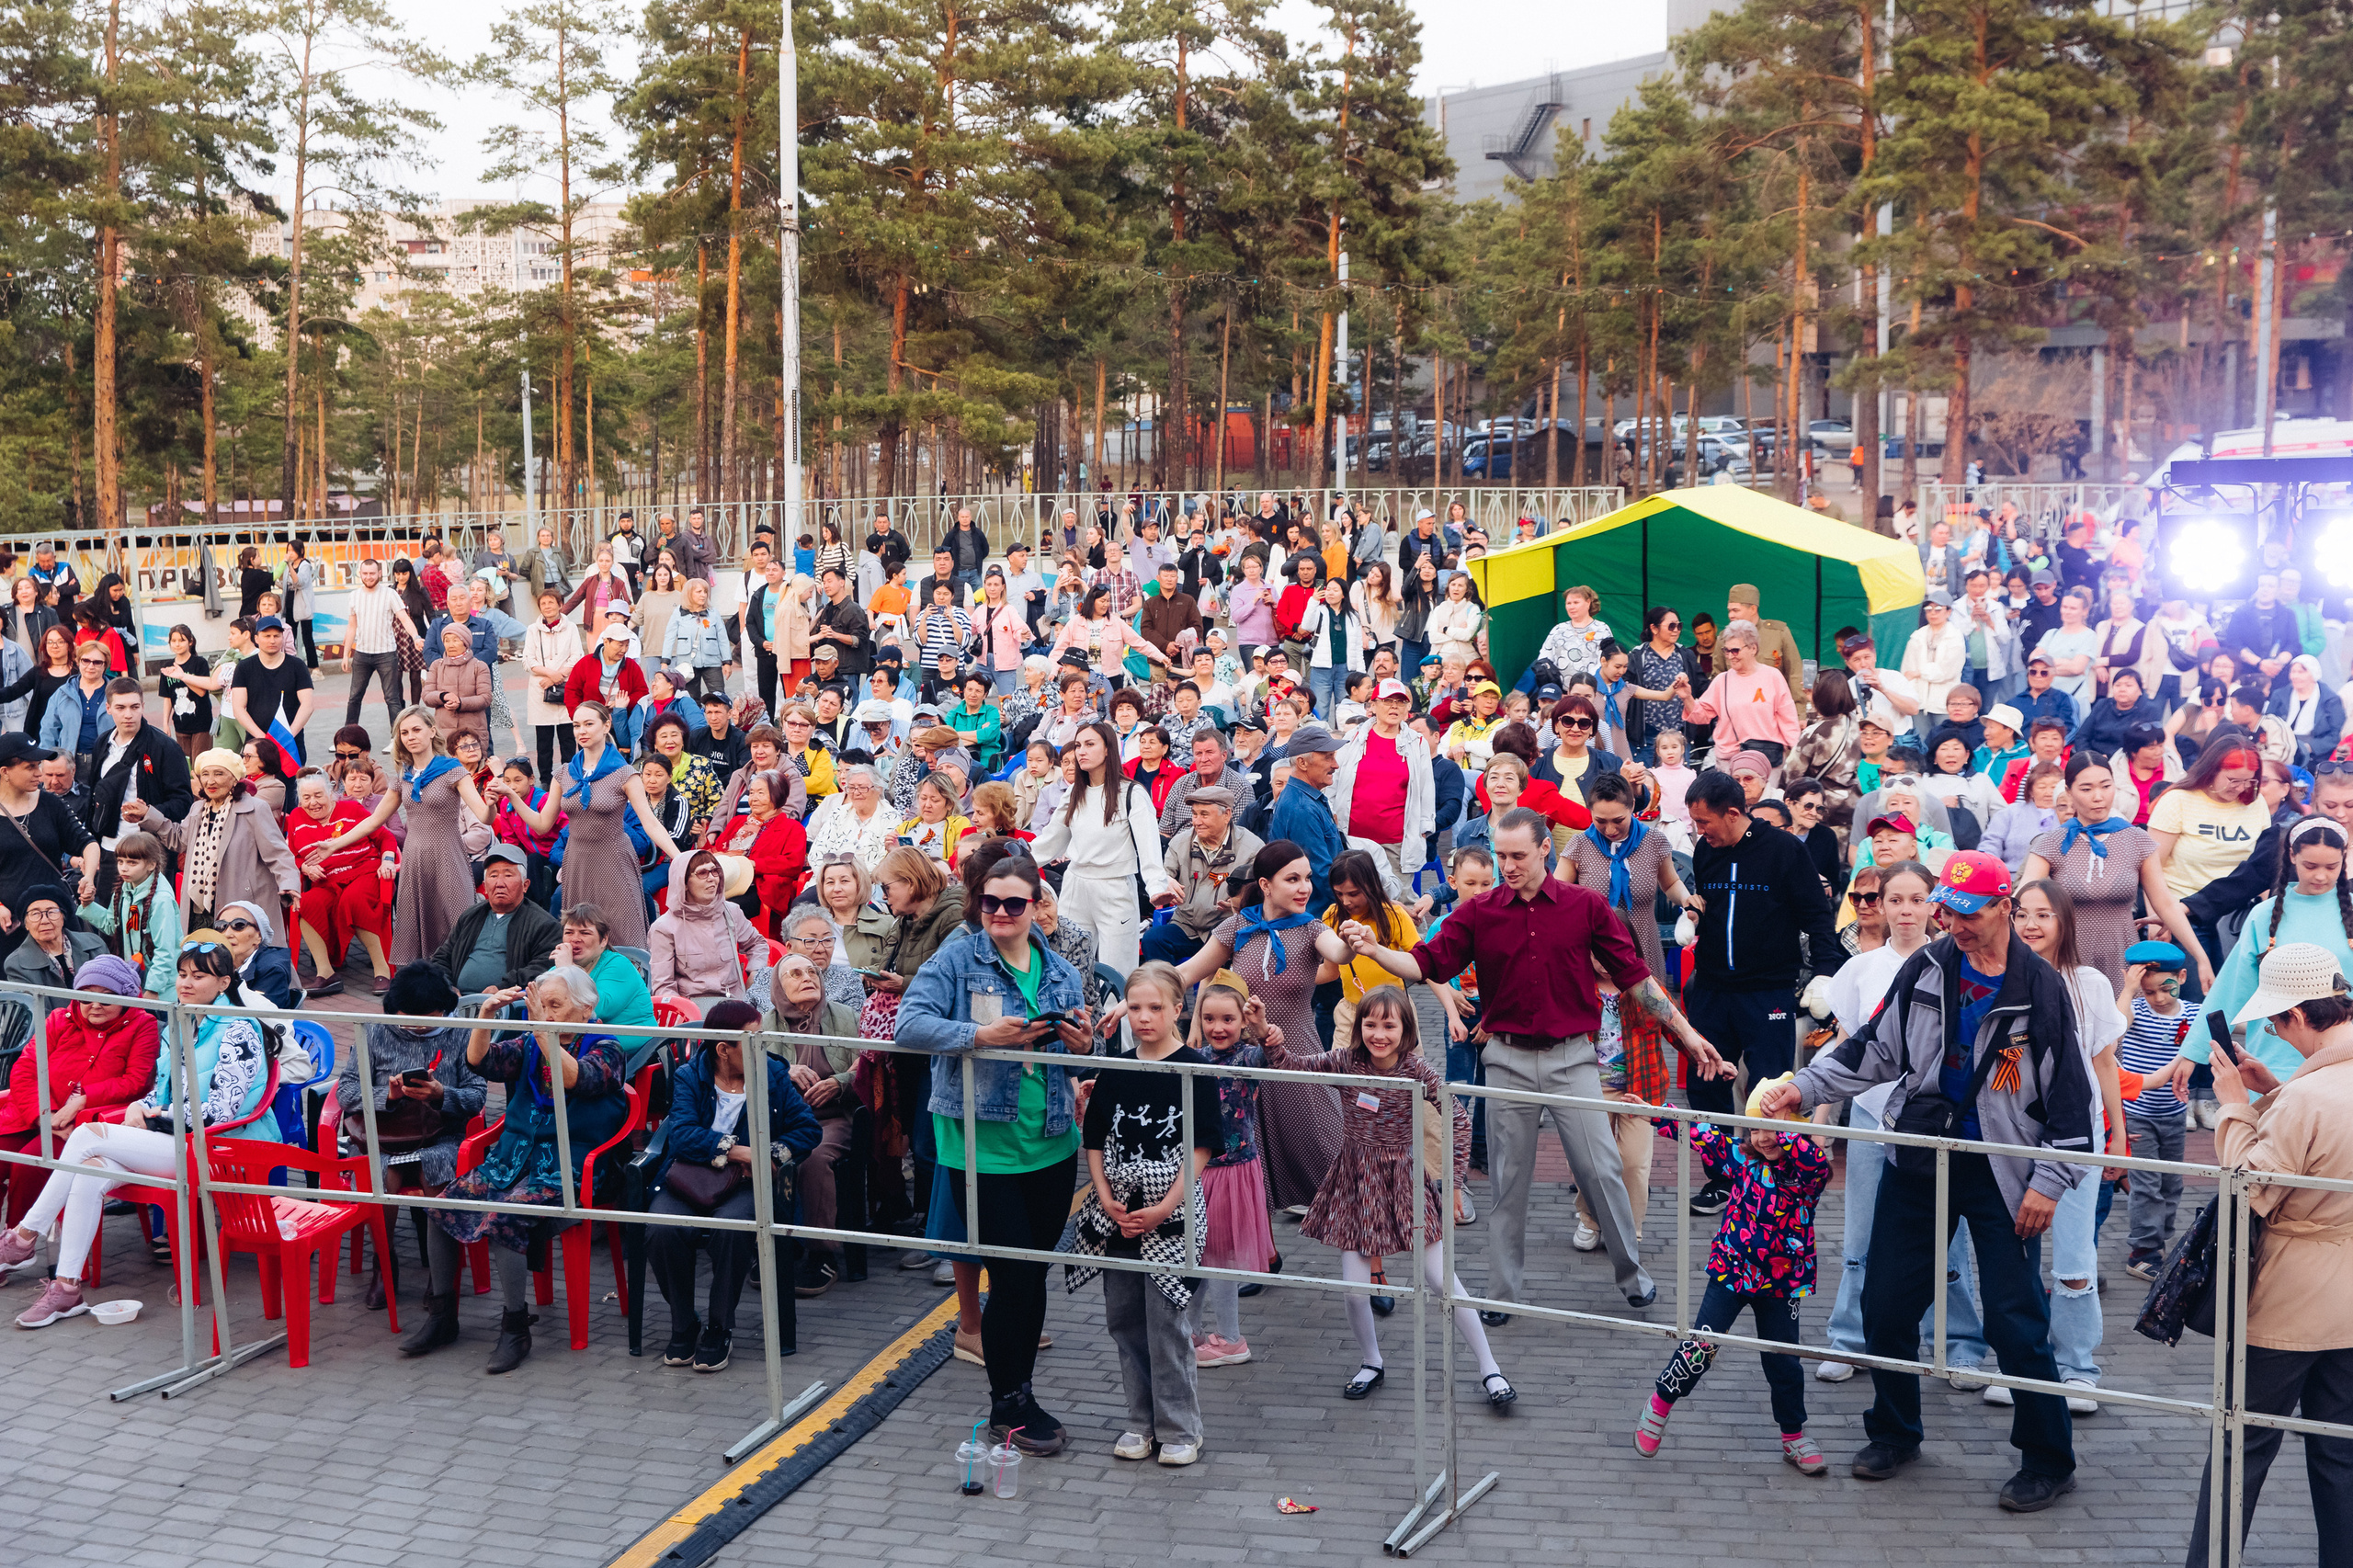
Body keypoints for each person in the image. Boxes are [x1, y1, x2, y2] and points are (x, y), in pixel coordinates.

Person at [1757, 850, 2094, 1514]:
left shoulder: (2042, 989)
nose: (1956, 924)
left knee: (2016, 1321)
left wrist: (2049, 1184)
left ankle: (2049, 1459)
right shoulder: (1929, 967)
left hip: (2003, 1172)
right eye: (1950, 911)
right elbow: (1871, 1050)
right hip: (1917, 1156)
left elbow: (2071, 1104)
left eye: (1969, 913)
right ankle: (1894, 1432)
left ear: (2005, 906)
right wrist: (1801, 1086)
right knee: (1885, 1305)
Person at [1343, 810, 1730, 1315]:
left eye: (1517, 856)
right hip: (1506, 1061)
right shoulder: (1479, 912)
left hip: (1573, 1059)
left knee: (1602, 1171)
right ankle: (1502, 1294)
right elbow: (1425, 965)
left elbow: (1636, 978)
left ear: (1546, 849)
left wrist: (1689, 1035)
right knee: (1507, 1183)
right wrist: (1376, 948)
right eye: (1501, 855)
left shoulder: (1584, 906)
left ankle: (1632, 1274)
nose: (1507, 866)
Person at [897, 852, 1097, 1455]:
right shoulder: (958, 958)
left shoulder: (1059, 968)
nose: (1002, 913)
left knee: (1029, 1276)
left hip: (1052, 1141)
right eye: (990, 902)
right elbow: (910, 1025)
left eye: (1015, 903)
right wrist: (980, 1036)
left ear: (1036, 904)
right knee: (1012, 1278)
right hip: (981, 1149)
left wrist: (1086, 1044)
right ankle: (1009, 1404)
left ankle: (1018, 1394)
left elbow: (1082, 1051)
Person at [1250, 982, 1514, 1408]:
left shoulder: (1415, 1070)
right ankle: (1371, 1361)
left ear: (1405, 1029)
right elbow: (1290, 1065)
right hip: (1354, 1181)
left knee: (1442, 1281)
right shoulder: (1346, 1061)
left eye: (1388, 1025)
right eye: (1370, 1024)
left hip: (1405, 1180)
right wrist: (1267, 1034)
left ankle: (1490, 1369)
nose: (1378, 1034)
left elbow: (1460, 1119)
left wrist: (1455, 1183)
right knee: (1354, 1290)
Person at [2, 942, 278, 1327]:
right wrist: (141, 1105)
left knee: (85, 1136)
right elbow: (161, 1088)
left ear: (223, 983)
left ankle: (23, 1236)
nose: (185, 983)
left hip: (223, 1148)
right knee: (89, 1170)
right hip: (175, 1142)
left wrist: (153, 1113)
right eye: (182, 975)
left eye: (198, 976)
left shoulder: (238, 1030)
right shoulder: (181, 1022)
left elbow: (218, 1112)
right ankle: (65, 1288)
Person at [2185, 941, 2353, 1566]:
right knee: (2339, 1453)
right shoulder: (2310, 1091)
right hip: (2349, 1302)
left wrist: (2233, 1103)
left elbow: (2247, 1187)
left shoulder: (2309, 1098)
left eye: (2279, 1022)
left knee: (2241, 1449)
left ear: (2297, 1017)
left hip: (2289, 1302)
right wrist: (2273, 1090)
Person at [400, 967, 631, 1373]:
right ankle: (442, 1316)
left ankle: (515, 1326)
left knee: (505, 1216)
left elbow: (579, 1079)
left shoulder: (607, 1047)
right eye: (542, 1006)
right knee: (441, 1208)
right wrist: (486, 1015)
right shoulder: (530, 1041)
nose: (548, 1014)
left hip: (568, 1169)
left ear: (586, 1009)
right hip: (511, 1161)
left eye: (556, 1006)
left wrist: (542, 1031)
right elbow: (481, 1062)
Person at [1063, 962, 1224, 1465]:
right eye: (1135, 1007)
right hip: (1117, 1214)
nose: (1144, 1017)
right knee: (1125, 1318)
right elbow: (1094, 1136)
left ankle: (1180, 1427)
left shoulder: (1194, 1067)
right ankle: (1140, 1421)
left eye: (1156, 1007)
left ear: (1178, 1008)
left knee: (1168, 1324)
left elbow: (1202, 1146)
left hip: (1172, 1213)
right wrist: (1104, 1192)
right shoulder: (1118, 1067)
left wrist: (1165, 1206)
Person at [1631, 1082, 1834, 1475]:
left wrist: (1784, 1123)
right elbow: (1698, 1131)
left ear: (1793, 1128)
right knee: (1701, 1346)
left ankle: (1793, 1434)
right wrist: (1653, 1112)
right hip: (1730, 1272)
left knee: (1784, 1359)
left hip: (1782, 1283)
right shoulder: (1742, 1159)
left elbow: (1812, 1161)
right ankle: (1660, 1403)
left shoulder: (1808, 1173)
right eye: (1756, 1127)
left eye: (1773, 1127)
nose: (1763, 1137)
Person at [1681, 771, 1845, 1199]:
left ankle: (1774, 1180)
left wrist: (1825, 972)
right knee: (1704, 1087)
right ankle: (1722, 1179)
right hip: (1712, 989)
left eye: (1704, 822)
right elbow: (1710, 904)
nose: (1699, 831)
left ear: (1733, 813)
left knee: (1772, 1088)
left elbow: (1816, 914)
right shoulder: (1705, 850)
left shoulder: (1786, 850)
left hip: (1768, 991)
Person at [643, 996, 822, 1369]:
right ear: (723, 1049)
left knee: (732, 1230)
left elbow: (807, 1130)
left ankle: (719, 1327)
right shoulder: (690, 1076)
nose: (760, 1045)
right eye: (751, 1039)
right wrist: (740, 1151)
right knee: (660, 1228)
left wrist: (773, 1154)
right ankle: (683, 1322)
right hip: (691, 1177)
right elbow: (682, 1136)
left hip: (744, 1185)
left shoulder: (771, 1075)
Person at [2009, 878, 2127, 1414]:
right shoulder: (1997, 978)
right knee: (2014, 1254)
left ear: (2063, 922)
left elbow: (2105, 1062)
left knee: (2075, 1254)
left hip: (2077, 1135)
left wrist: (2117, 1133)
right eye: (2021, 914)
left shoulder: (2090, 983)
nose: (2031, 925)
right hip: (2012, 1136)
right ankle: (2023, 1364)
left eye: (2043, 914)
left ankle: (2079, 1367)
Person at [335, 962, 487, 1307]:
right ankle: (384, 1265)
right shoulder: (374, 1032)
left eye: (428, 1018)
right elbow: (346, 1091)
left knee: (435, 1172)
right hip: (384, 1133)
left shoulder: (463, 1034)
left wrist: (440, 1095)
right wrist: (387, 1096)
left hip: (442, 1134)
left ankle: (441, 1271)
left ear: (445, 1010)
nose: (417, 1027)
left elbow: (478, 1096)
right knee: (380, 1177)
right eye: (407, 1019)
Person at [296, 709, 493, 968]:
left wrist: (490, 804)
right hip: (415, 859)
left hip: (448, 855)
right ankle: (429, 985)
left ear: (432, 731)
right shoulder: (404, 776)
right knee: (421, 926)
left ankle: (465, 980)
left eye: (416, 730)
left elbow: (484, 816)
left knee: (458, 919)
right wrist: (333, 844)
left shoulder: (453, 770)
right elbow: (374, 820)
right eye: (404, 732)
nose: (411, 736)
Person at [505, 701, 685, 952]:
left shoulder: (624, 773)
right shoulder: (564, 773)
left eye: (589, 724)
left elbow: (650, 823)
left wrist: (680, 860)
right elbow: (542, 824)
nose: (581, 731)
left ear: (606, 726)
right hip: (577, 864)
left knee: (623, 935)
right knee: (580, 940)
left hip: (615, 862)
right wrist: (511, 796)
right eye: (577, 725)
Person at [2021, 753, 2211, 989]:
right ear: (2069, 793)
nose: (2098, 797)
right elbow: (2022, 901)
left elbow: (2166, 903)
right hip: (2067, 962)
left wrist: (2201, 958)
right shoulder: (2052, 843)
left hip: (2123, 963)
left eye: (2106, 786)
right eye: (2086, 789)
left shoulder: (2137, 840)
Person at [0, 954, 156, 1230]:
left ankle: (16, 1241)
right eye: (85, 998)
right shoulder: (60, 1018)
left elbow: (137, 1082)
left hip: (86, 1124)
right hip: (34, 1114)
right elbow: (26, 1069)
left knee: (30, 1166)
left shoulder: (143, 1024)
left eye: (107, 998)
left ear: (126, 998)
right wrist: (43, 1116)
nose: (94, 1006)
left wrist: (83, 1101)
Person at [1184, 972, 1276, 1367]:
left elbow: (1271, 1055)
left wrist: (1263, 1029)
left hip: (1231, 1170)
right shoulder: (1196, 1058)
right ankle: (1189, 1331)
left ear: (1241, 1022)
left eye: (1227, 1019)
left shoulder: (1247, 1057)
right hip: (1200, 1168)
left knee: (1217, 1258)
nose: (1217, 1028)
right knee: (1196, 1254)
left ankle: (1232, 1339)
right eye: (1209, 1019)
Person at [1028, 721, 1165, 973]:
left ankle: (1118, 1015)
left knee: (1118, 969)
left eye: (1090, 744)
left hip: (1115, 887)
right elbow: (1049, 842)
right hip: (1075, 885)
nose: (1081, 751)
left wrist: (1157, 887)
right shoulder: (1072, 793)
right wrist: (1011, 862)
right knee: (1068, 967)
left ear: (1108, 750)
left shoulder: (1132, 793)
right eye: (1078, 745)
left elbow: (1149, 849)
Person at [131, 746, 299, 938]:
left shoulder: (255, 808)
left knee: (235, 962)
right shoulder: (198, 808)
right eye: (205, 774)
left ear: (234, 778)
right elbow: (179, 840)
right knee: (200, 963)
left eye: (219, 774)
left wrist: (289, 882)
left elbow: (278, 853)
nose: (210, 781)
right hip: (198, 908)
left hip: (240, 907)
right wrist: (148, 815)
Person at [2112, 940, 2193, 1280]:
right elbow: (2116, 1025)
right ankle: (2143, 1250)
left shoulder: (2194, 1013)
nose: (2158, 998)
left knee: (2171, 1183)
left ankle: (2161, 1239)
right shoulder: (2135, 1011)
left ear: (2182, 977)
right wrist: (2129, 991)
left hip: (2174, 1114)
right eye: (2149, 991)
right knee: (2146, 1184)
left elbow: (2225, 1029)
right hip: (2137, 1112)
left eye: (2165, 988)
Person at [284, 770, 395, 996]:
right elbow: (292, 854)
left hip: (363, 872)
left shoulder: (352, 809)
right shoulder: (296, 817)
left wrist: (388, 860)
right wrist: (304, 867)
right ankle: (326, 973)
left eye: (318, 795)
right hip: (326, 881)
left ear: (332, 794)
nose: (312, 803)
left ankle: (382, 970)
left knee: (353, 900)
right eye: (306, 797)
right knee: (307, 902)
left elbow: (386, 837)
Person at [0, 733, 98, 952]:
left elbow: (88, 843)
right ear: (5, 772)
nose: (39, 774)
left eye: (38, 765)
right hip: (11, 926)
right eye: (30, 767)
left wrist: (89, 877)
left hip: (56, 917)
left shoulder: (50, 803)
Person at [1676, 621, 1801, 768]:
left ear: (1753, 648)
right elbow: (1701, 716)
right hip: (1729, 760)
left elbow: (1788, 719)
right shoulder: (1722, 680)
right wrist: (1687, 697)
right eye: (1726, 650)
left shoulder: (1773, 676)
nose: (1730, 656)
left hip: (1767, 760)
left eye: (1735, 650)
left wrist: (1796, 754)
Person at [650, 850, 764, 1011]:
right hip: (692, 1009)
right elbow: (663, 986)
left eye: (715, 871)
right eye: (702, 873)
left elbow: (757, 943)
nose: (712, 878)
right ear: (684, 883)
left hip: (734, 1003)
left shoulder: (731, 912)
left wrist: (755, 972)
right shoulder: (664, 927)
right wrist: (685, 1016)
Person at [227, 615, 316, 767]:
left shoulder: (297, 666)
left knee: (292, 789)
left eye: (277, 636)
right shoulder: (244, 667)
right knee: (258, 789)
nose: (272, 640)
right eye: (266, 636)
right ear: (256, 638)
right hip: (256, 745)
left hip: (291, 744)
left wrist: (287, 737)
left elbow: (307, 705)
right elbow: (238, 708)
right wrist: (263, 740)